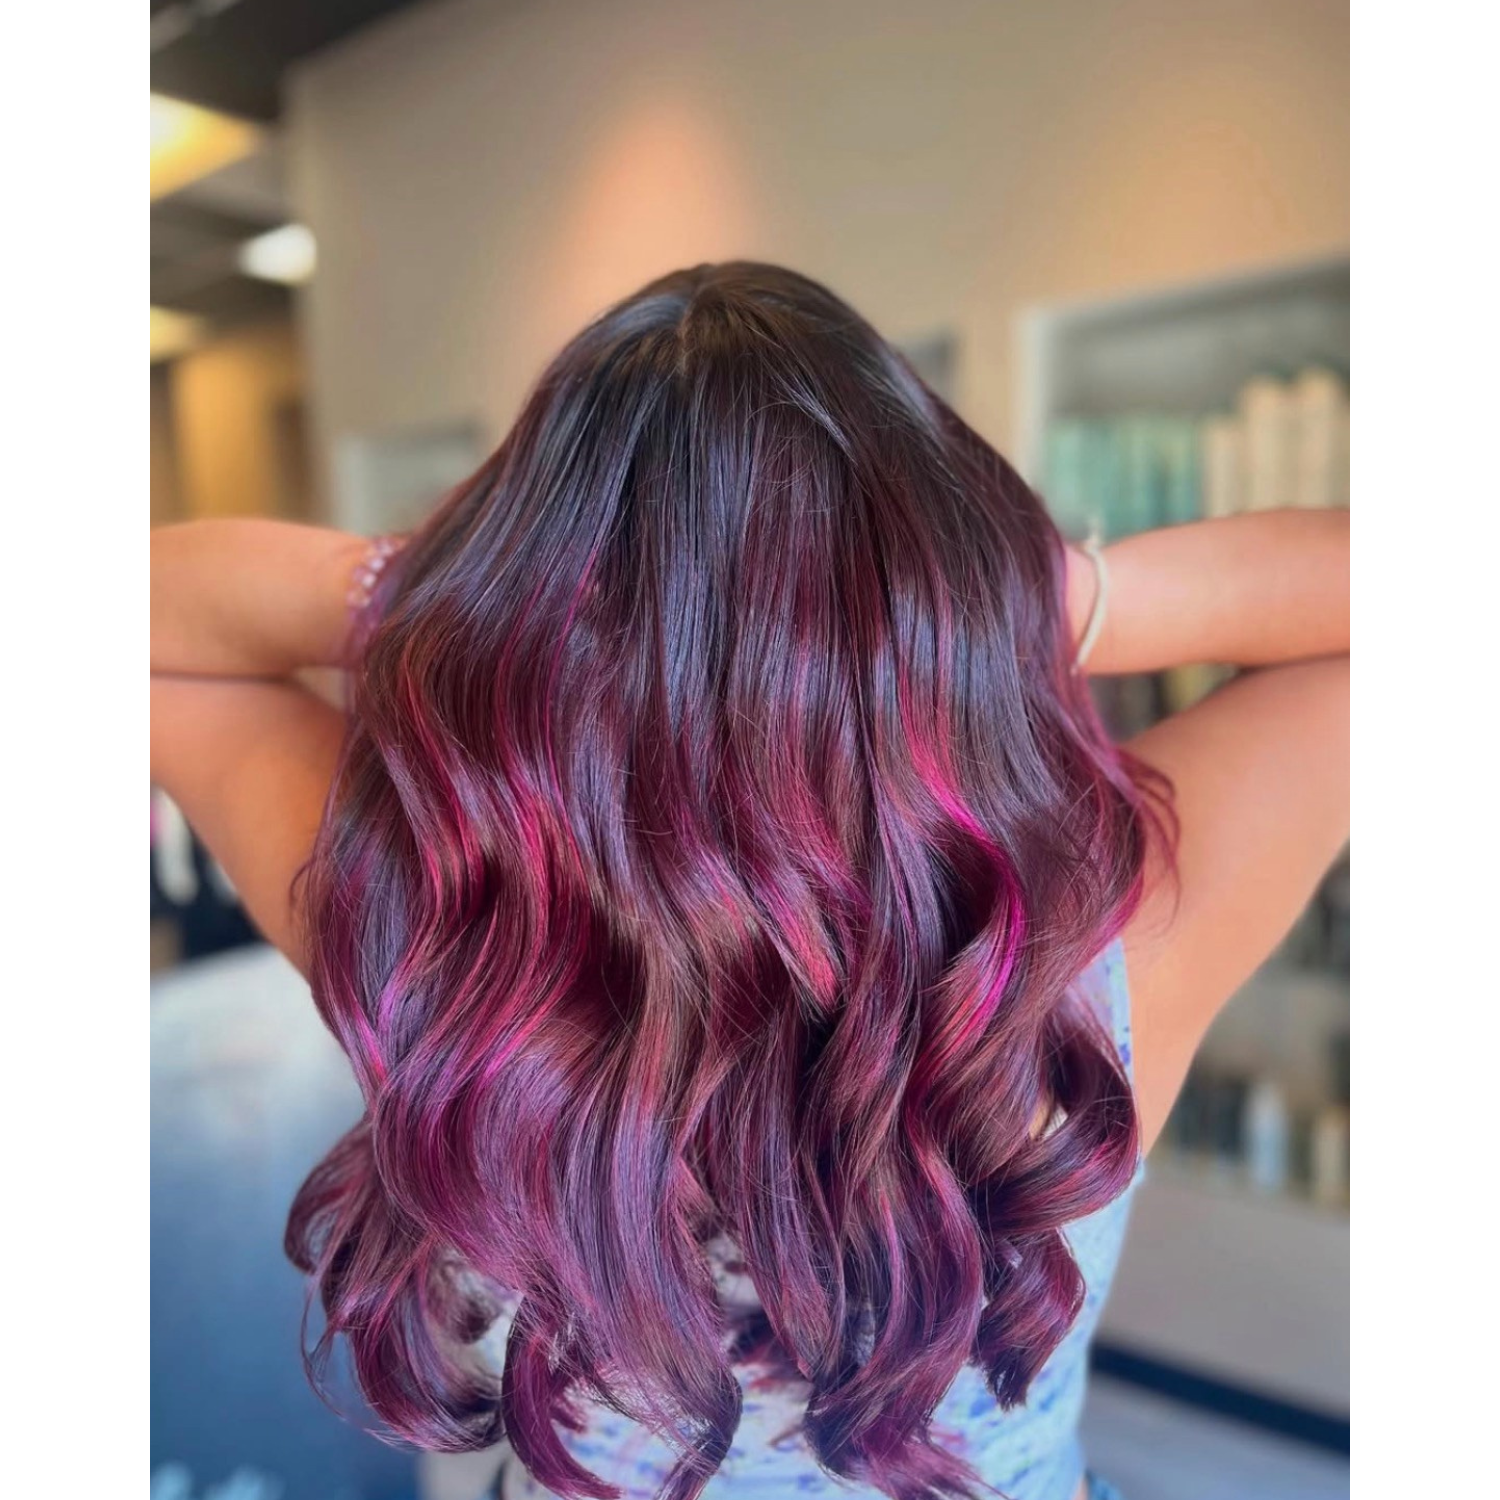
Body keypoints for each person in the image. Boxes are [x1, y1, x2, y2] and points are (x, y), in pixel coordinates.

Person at [150, 262, 1349, 1500]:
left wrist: (447, 601)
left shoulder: (444, 936)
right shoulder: (1098, 944)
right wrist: (1038, 595)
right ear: (928, 602)